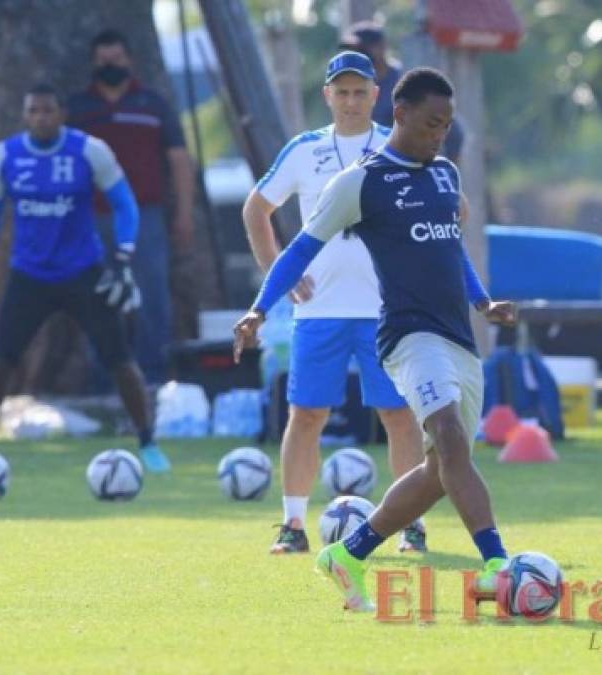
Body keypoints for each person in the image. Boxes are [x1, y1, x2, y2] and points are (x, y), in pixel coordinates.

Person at [233, 67, 516, 611]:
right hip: (408, 336)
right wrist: (259, 309)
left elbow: (450, 249)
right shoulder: (359, 182)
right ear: (402, 114)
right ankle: (497, 566)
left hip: (458, 337)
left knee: (439, 471)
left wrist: (483, 301)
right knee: (450, 441)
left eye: (448, 126)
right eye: (432, 123)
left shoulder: (444, 176)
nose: (440, 134)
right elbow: (297, 251)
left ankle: (348, 555)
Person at [242, 51, 427, 555]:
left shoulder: (399, 146)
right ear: (327, 95)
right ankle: (293, 526)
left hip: (386, 310)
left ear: (376, 94)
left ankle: (412, 528)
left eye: (359, 91)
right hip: (318, 310)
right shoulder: (304, 150)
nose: (350, 101)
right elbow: (257, 208)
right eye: (340, 92)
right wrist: (277, 271)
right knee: (306, 415)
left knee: (399, 416)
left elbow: (434, 208)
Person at [0, 83, 171, 473]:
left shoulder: (88, 151)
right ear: (25, 114)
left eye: (47, 110)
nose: (40, 118)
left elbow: (124, 203)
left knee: (119, 358)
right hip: (28, 274)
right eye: (33, 111)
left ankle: (147, 440)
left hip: (84, 271)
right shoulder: (5, 156)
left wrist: (123, 254)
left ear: (61, 113)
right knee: (0, 359)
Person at [67, 29, 195, 385]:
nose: (111, 65)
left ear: (130, 61)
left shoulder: (153, 105)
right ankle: (104, 380)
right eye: (104, 60)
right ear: (95, 63)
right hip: (91, 219)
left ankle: (152, 376)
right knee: (96, 300)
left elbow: (180, 160)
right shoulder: (78, 109)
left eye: (117, 59)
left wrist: (184, 213)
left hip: (145, 218)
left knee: (151, 296)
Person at [341, 21, 465, 163]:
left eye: (360, 50)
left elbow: (454, 132)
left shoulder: (409, 81)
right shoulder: (352, 90)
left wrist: (445, 171)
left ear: (381, 48)